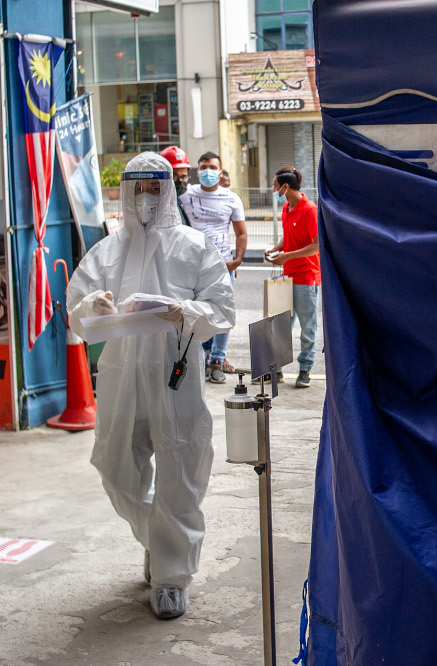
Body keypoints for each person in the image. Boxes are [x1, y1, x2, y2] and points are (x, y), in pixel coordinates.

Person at [66, 152, 235, 619]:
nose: (145, 196)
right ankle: (159, 540)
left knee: (180, 472)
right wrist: (92, 306)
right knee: (115, 467)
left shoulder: (195, 246)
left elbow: (223, 307)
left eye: (154, 186)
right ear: (126, 191)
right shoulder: (107, 251)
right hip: (122, 377)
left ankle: (170, 576)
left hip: (174, 375)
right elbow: (76, 308)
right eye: (137, 186)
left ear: (167, 189)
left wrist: (188, 312)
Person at [179, 151, 247, 383]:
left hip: (222, 267)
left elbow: (241, 233)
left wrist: (237, 259)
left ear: (220, 171)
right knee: (197, 314)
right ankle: (203, 355)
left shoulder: (231, 198)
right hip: (193, 268)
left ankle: (217, 359)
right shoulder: (185, 196)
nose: (208, 171)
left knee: (223, 313)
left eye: (212, 167)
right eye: (204, 166)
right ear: (197, 171)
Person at [266, 166, 320, 388]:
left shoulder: (310, 210)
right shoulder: (287, 207)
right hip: (286, 275)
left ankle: (305, 369)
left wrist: (287, 255)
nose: (273, 189)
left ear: (286, 187)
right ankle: (276, 368)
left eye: (275, 186)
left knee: (307, 328)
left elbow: (317, 245)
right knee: (280, 326)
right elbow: (289, 238)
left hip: (306, 277)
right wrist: (275, 249)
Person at [159, 145, 191, 226]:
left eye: (183, 177)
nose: (180, 181)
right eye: (175, 176)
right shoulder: (156, 205)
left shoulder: (176, 201)